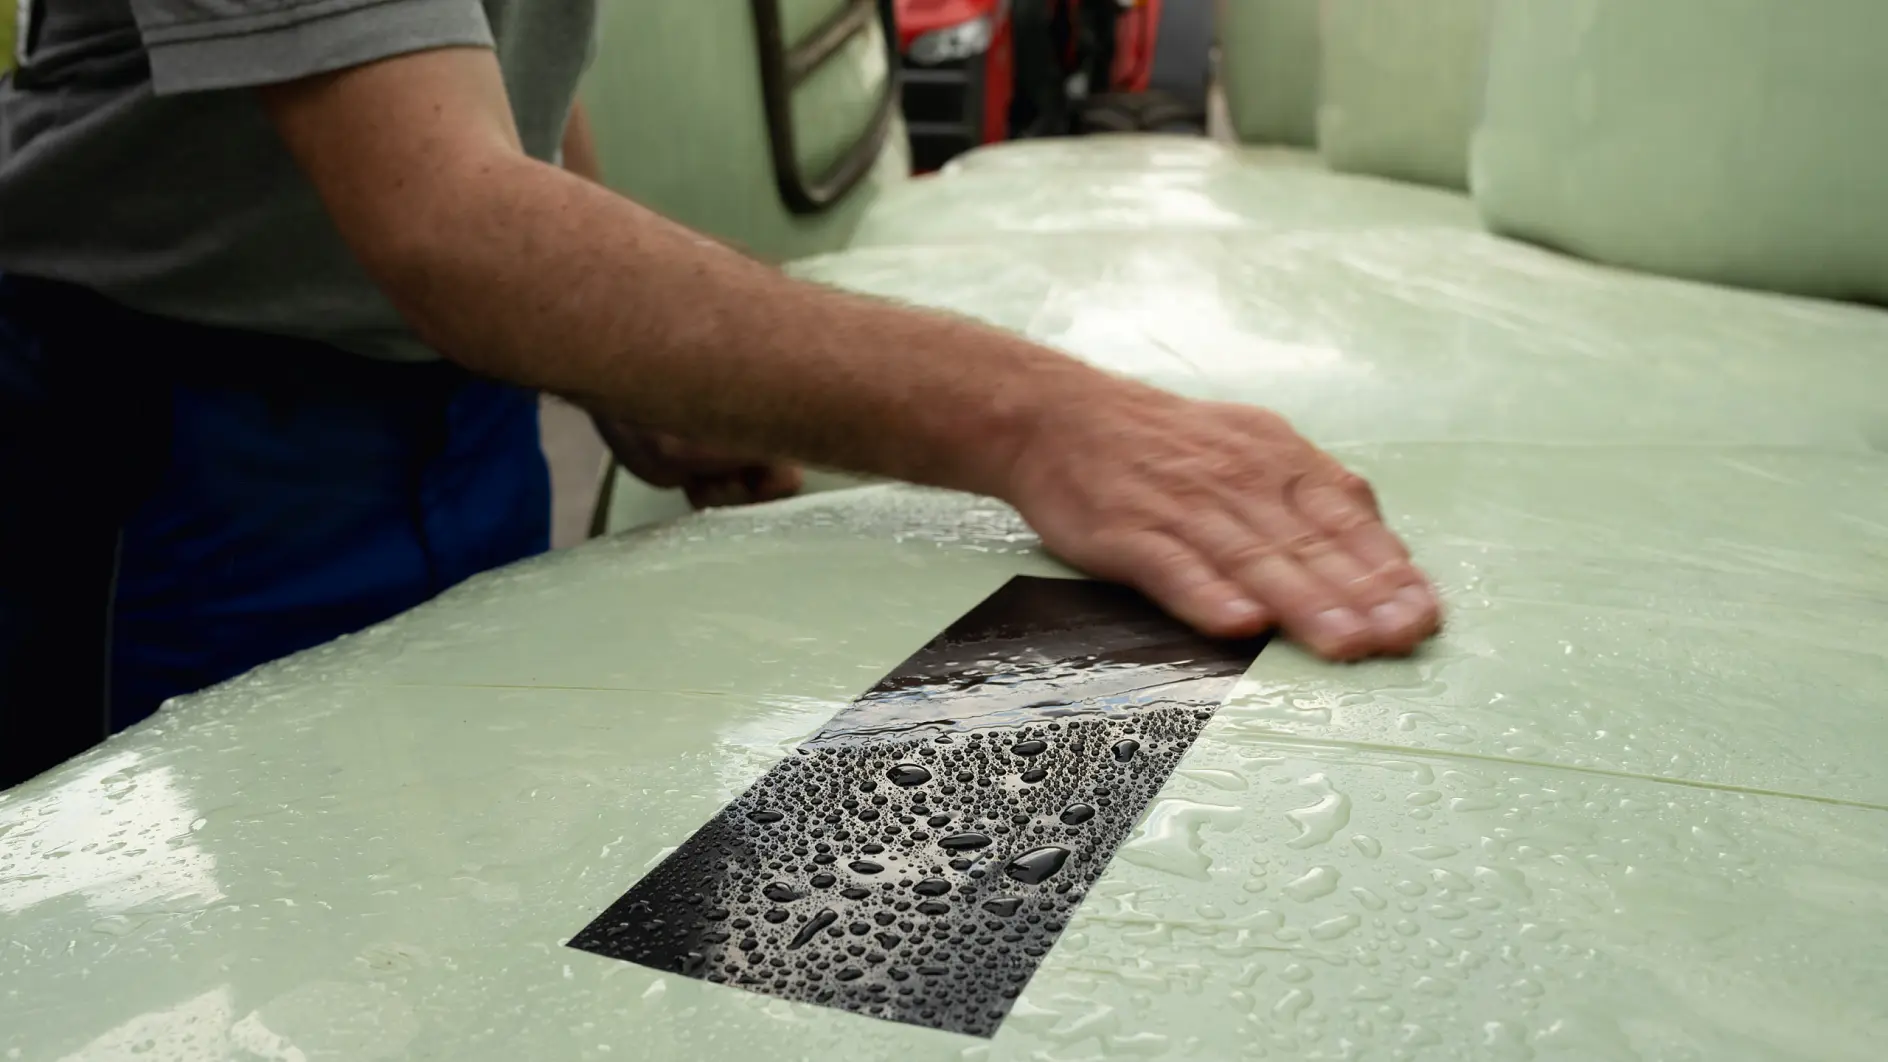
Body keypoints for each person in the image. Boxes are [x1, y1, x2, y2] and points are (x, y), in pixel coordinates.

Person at [0, 0, 1441, 789]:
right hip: (168, 438)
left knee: (438, 841)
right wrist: (1038, 415)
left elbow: (482, 68)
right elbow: (442, 213)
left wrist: (610, 345)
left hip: (460, 413)